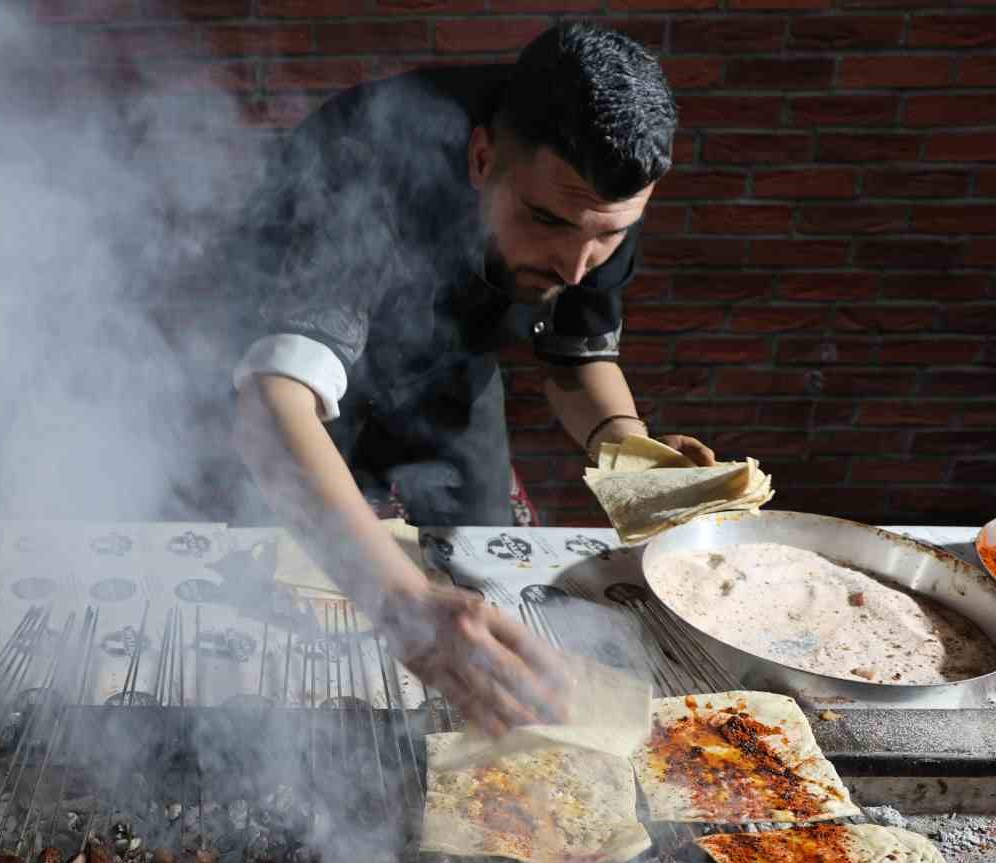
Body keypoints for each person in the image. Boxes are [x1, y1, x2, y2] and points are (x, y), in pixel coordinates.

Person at [228, 22, 714, 736]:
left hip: (451, 364)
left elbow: (577, 361)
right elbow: (273, 406)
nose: (576, 267)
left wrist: (631, 454)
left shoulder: (599, 190)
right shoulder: (362, 161)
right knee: (286, 584)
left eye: (607, 236)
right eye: (547, 220)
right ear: (483, 157)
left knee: (483, 559)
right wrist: (402, 605)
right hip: (290, 371)